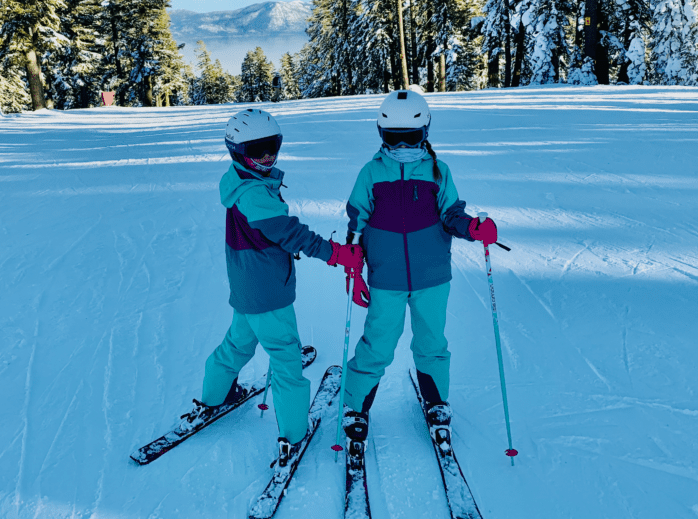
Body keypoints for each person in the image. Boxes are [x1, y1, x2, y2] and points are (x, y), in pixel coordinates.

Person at [181, 108, 365, 468]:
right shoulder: (255, 195)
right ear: (236, 150)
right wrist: (337, 254)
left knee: (236, 344)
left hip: (246, 288)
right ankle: (294, 433)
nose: (267, 157)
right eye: (257, 150)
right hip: (268, 294)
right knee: (285, 358)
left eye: (273, 146)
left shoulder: (237, 182)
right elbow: (291, 234)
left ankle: (213, 396)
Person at [340, 89, 498, 450]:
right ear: (381, 134)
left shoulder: (438, 171)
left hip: (431, 277)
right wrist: (354, 270)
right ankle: (356, 407)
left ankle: (437, 401)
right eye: (393, 138)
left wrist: (473, 228)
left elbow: (452, 215)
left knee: (431, 341)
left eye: (410, 137)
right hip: (386, 277)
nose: (401, 146)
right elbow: (355, 224)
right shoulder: (371, 173)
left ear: (425, 131)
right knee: (377, 344)